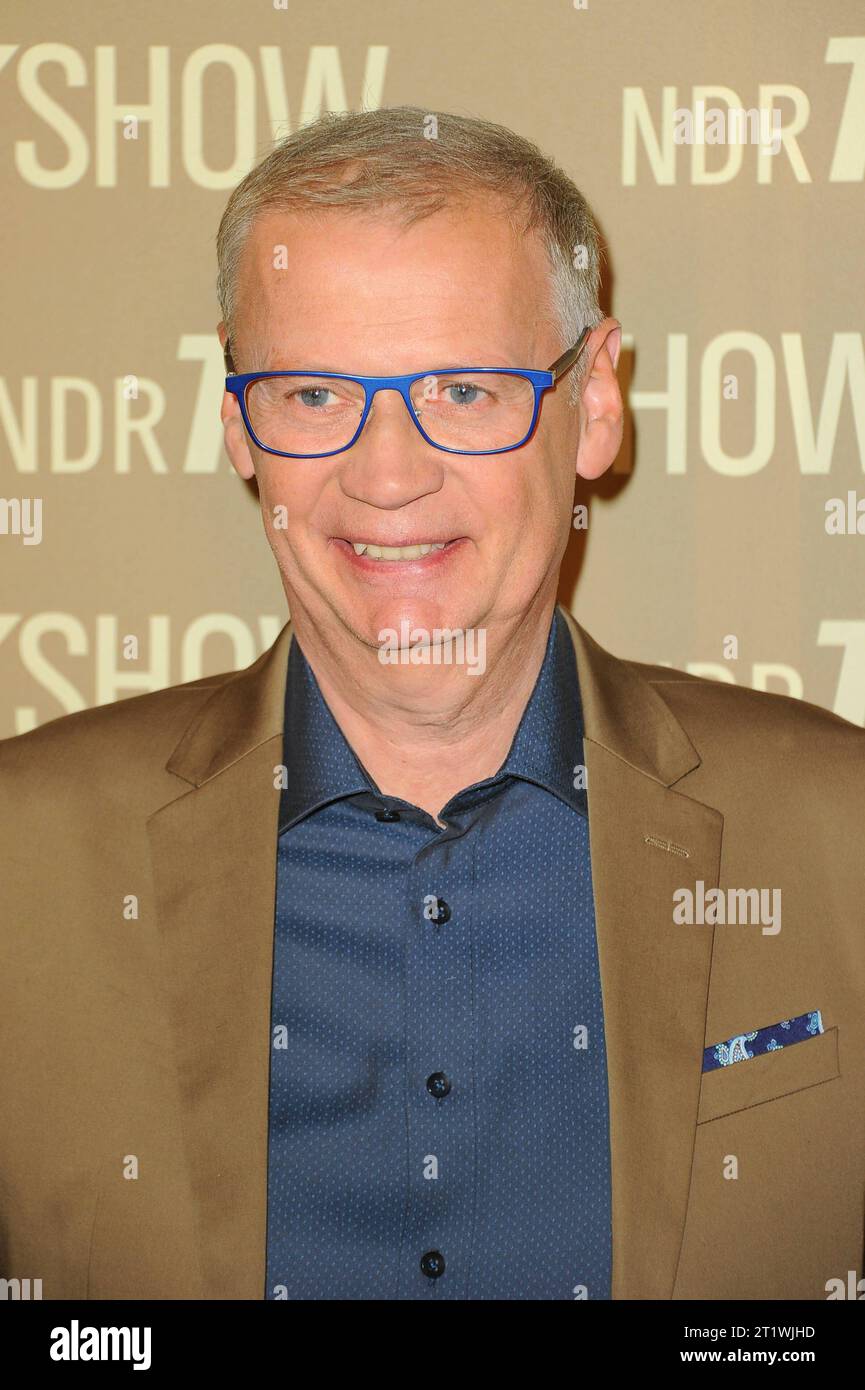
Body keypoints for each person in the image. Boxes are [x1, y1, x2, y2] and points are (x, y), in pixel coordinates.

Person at [1, 106, 862, 1302]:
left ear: (595, 401)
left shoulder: (840, 835)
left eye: (462, 388)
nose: (387, 475)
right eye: (311, 393)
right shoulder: (22, 860)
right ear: (238, 416)